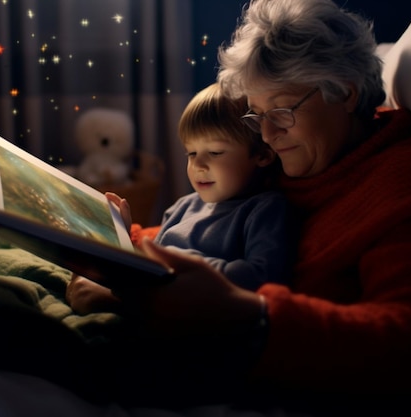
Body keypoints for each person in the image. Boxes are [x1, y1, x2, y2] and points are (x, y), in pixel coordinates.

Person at [0, 0, 411, 413]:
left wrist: (251, 315)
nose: (267, 135)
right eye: (255, 114)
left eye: (282, 110)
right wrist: (119, 234)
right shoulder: (298, 159)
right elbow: (211, 228)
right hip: (194, 327)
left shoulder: (407, 183)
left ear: (345, 92)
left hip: (236, 357)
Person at [81, 82, 298, 314]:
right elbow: (150, 262)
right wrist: (120, 237)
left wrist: (180, 262)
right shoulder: (183, 206)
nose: (198, 165)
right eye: (191, 153)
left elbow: (263, 277)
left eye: (215, 152)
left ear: (262, 155)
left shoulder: (265, 209)